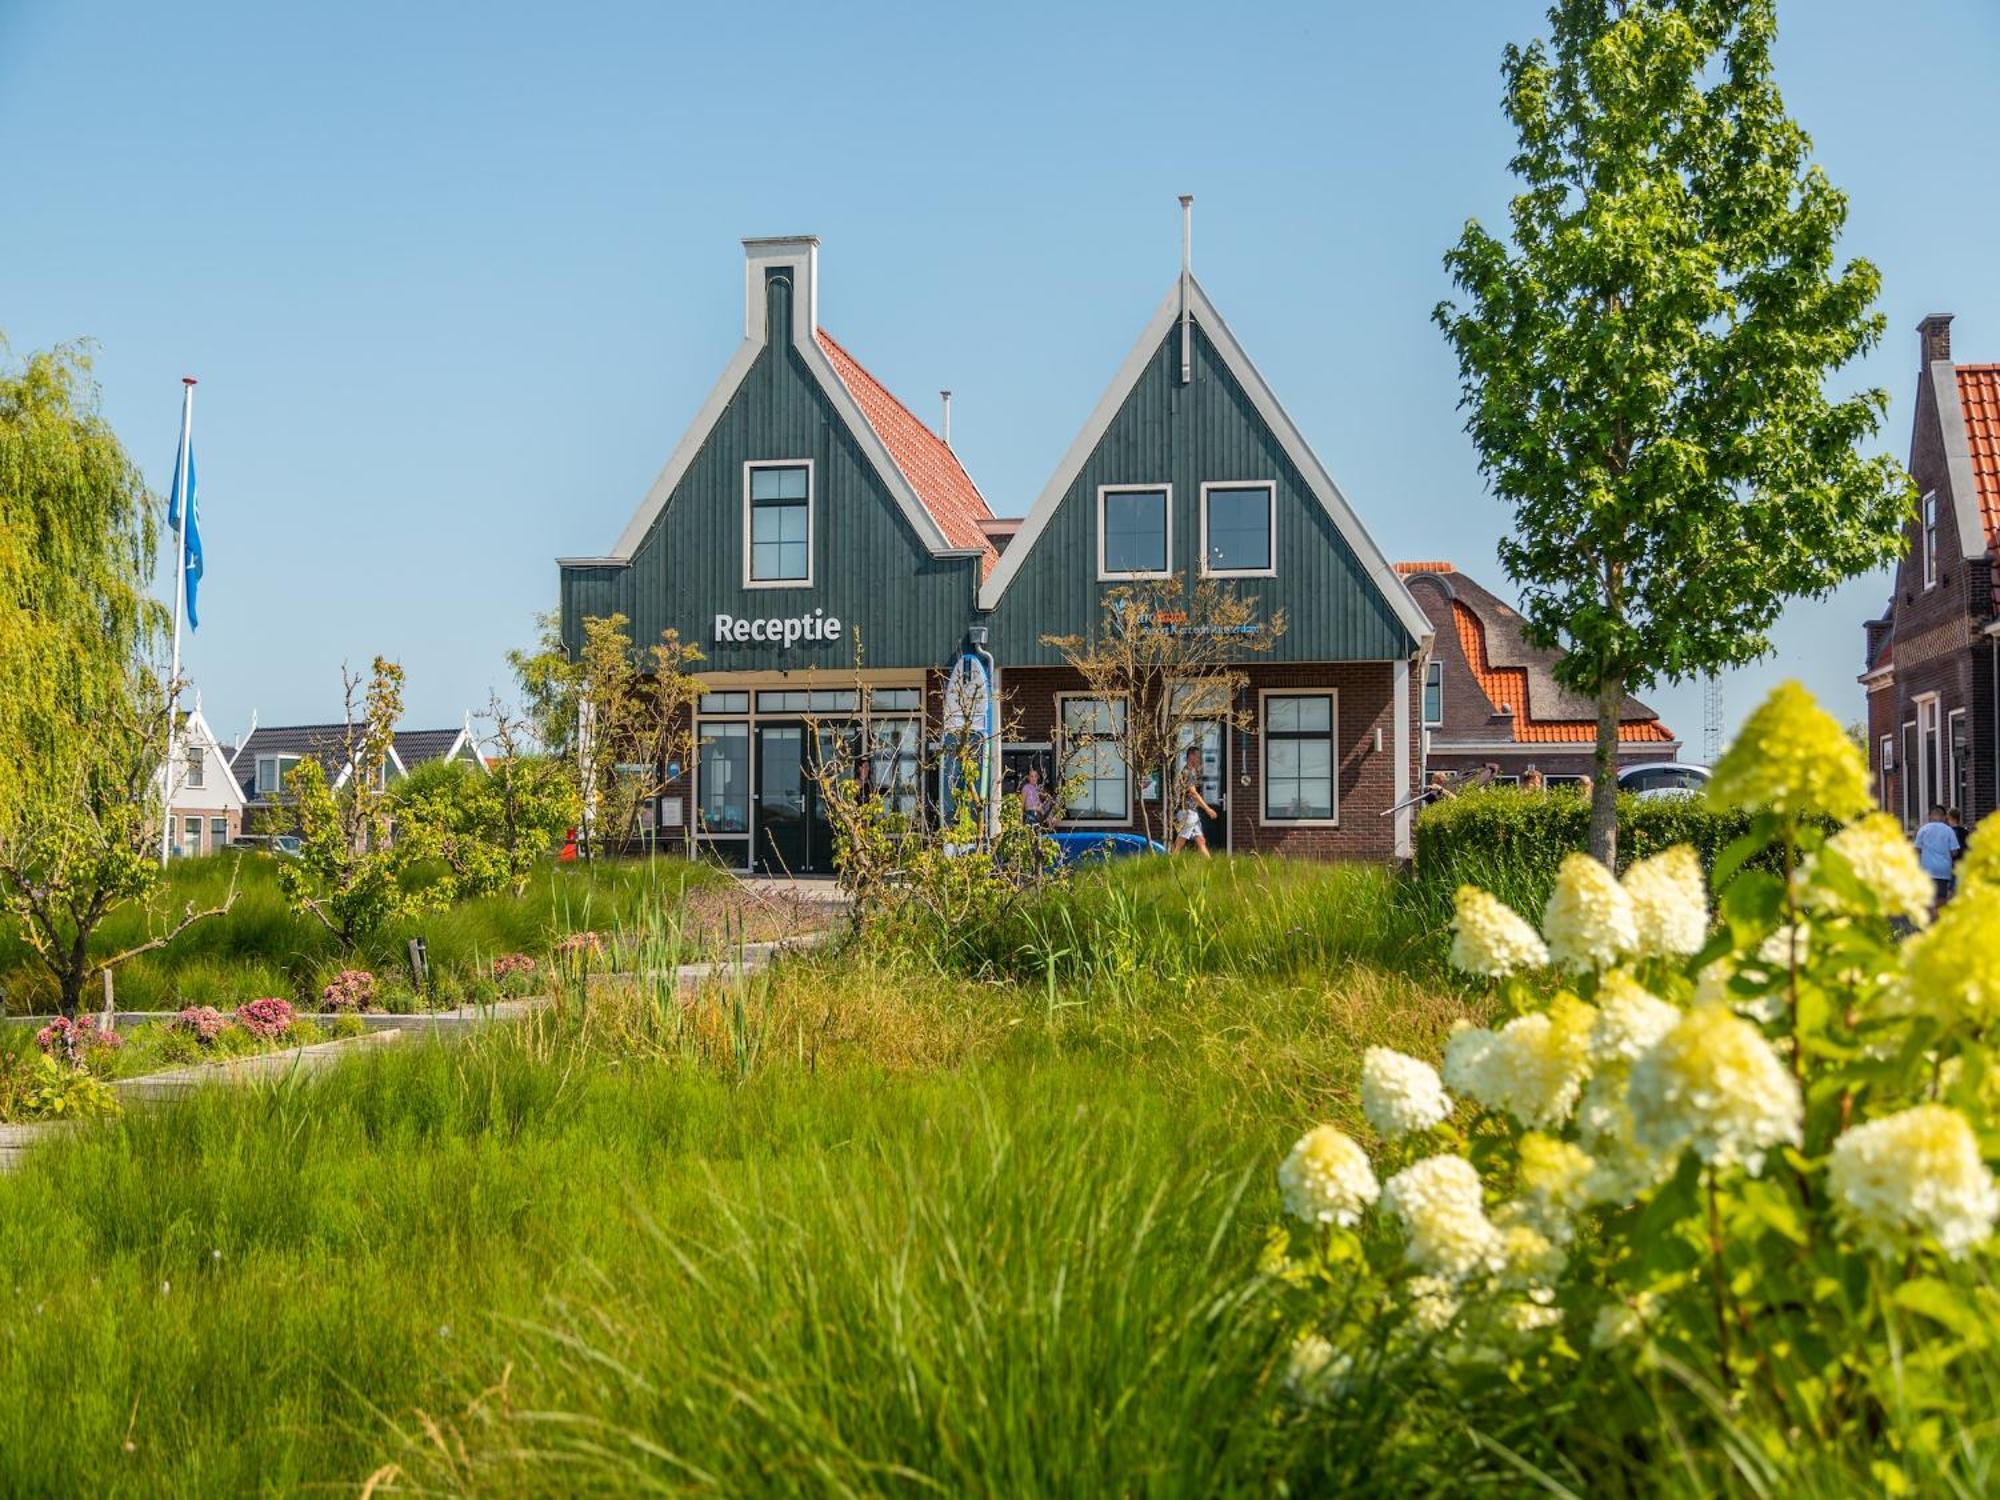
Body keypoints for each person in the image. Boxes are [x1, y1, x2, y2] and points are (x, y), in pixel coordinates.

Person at [1171, 745, 1216, 857]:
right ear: (1191, 756)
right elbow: (1193, 793)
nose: (1199, 760)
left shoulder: (1191, 772)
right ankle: (1170, 863)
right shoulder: (1188, 773)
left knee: (1200, 840)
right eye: (1197, 757)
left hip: (1192, 812)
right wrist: (1208, 809)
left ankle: (1210, 864)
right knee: (1181, 841)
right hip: (1187, 812)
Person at [1915, 804, 1961, 909]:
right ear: (1944, 817)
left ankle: (1929, 920)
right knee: (1941, 896)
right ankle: (1939, 919)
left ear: (1930, 816)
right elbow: (1954, 852)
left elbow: (1917, 849)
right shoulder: (1949, 830)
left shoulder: (1923, 830)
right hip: (1943, 869)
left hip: (1927, 868)